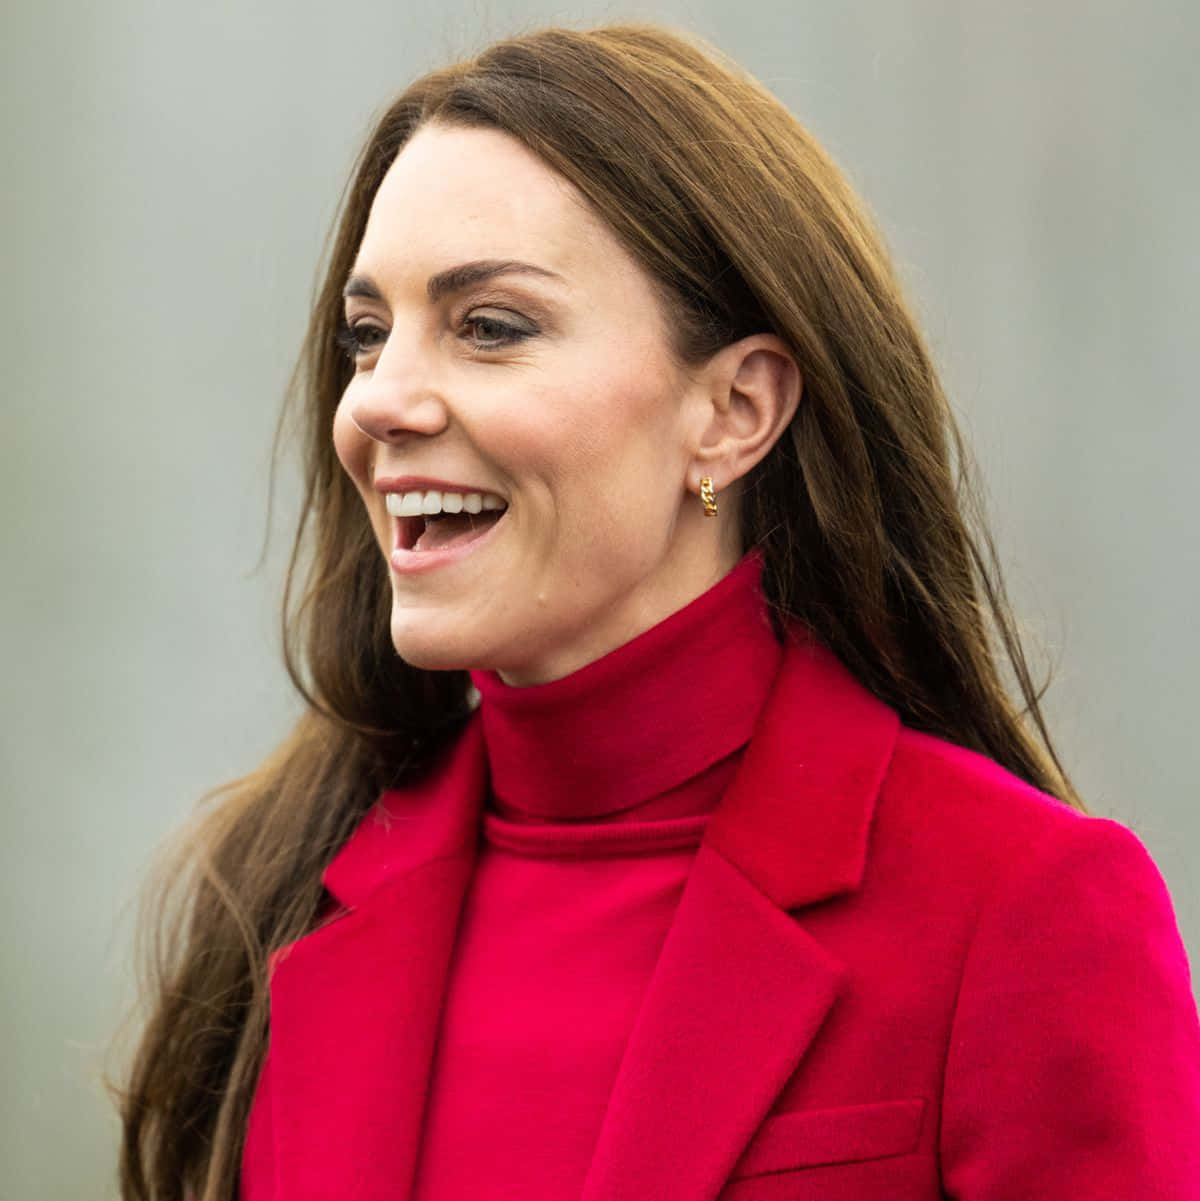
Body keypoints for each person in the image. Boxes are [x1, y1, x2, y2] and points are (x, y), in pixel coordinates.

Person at [115, 23, 1200, 1201]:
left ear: (734, 410)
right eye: (368, 336)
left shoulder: (1023, 910)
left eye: (489, 327)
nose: (380, 401)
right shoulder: (279, 888)